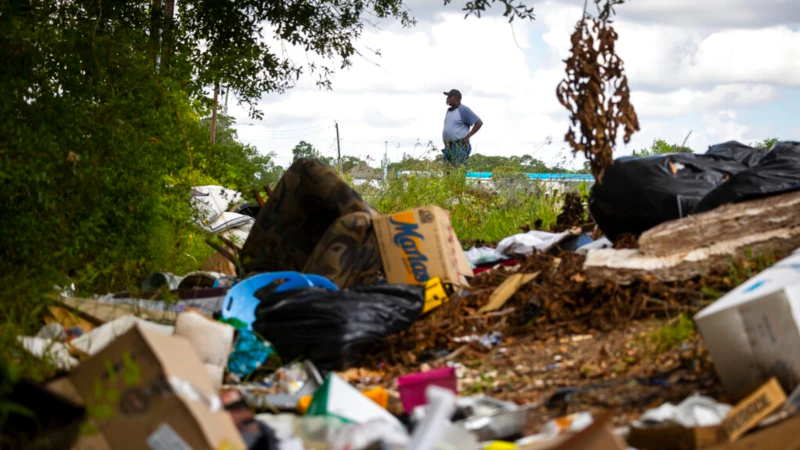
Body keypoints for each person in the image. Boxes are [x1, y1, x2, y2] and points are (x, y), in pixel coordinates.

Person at [442, 89, 483, 167]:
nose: (447, 99)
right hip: (448, 146)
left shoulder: (463, 109)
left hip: (459, 146)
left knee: (458, 171)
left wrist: (467, 137)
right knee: (447, 172)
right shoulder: (449, 111)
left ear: (456, 98)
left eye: (450, 97)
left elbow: (479, 123)